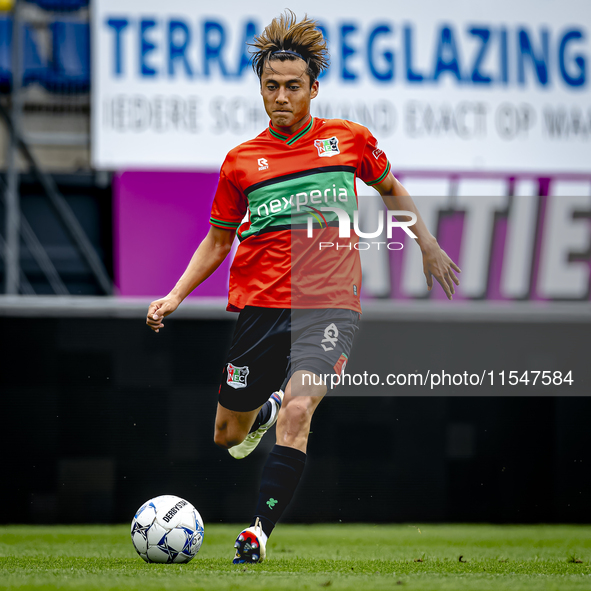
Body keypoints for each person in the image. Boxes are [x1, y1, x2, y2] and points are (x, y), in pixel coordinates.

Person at [146, 10, 461, 564]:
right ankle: (257, 411)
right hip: (260, 309)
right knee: (227, 435)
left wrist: (426, 243)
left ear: (314, 88)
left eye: (294, 86)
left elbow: (391, 189)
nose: (282, 96)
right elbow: (218, 242)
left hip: (329, 306)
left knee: (299, 410)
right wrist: (175, 295)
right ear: (260, 90)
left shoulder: (350, 142)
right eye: (272, 87)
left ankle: (257, 533)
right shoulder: (240, 163)